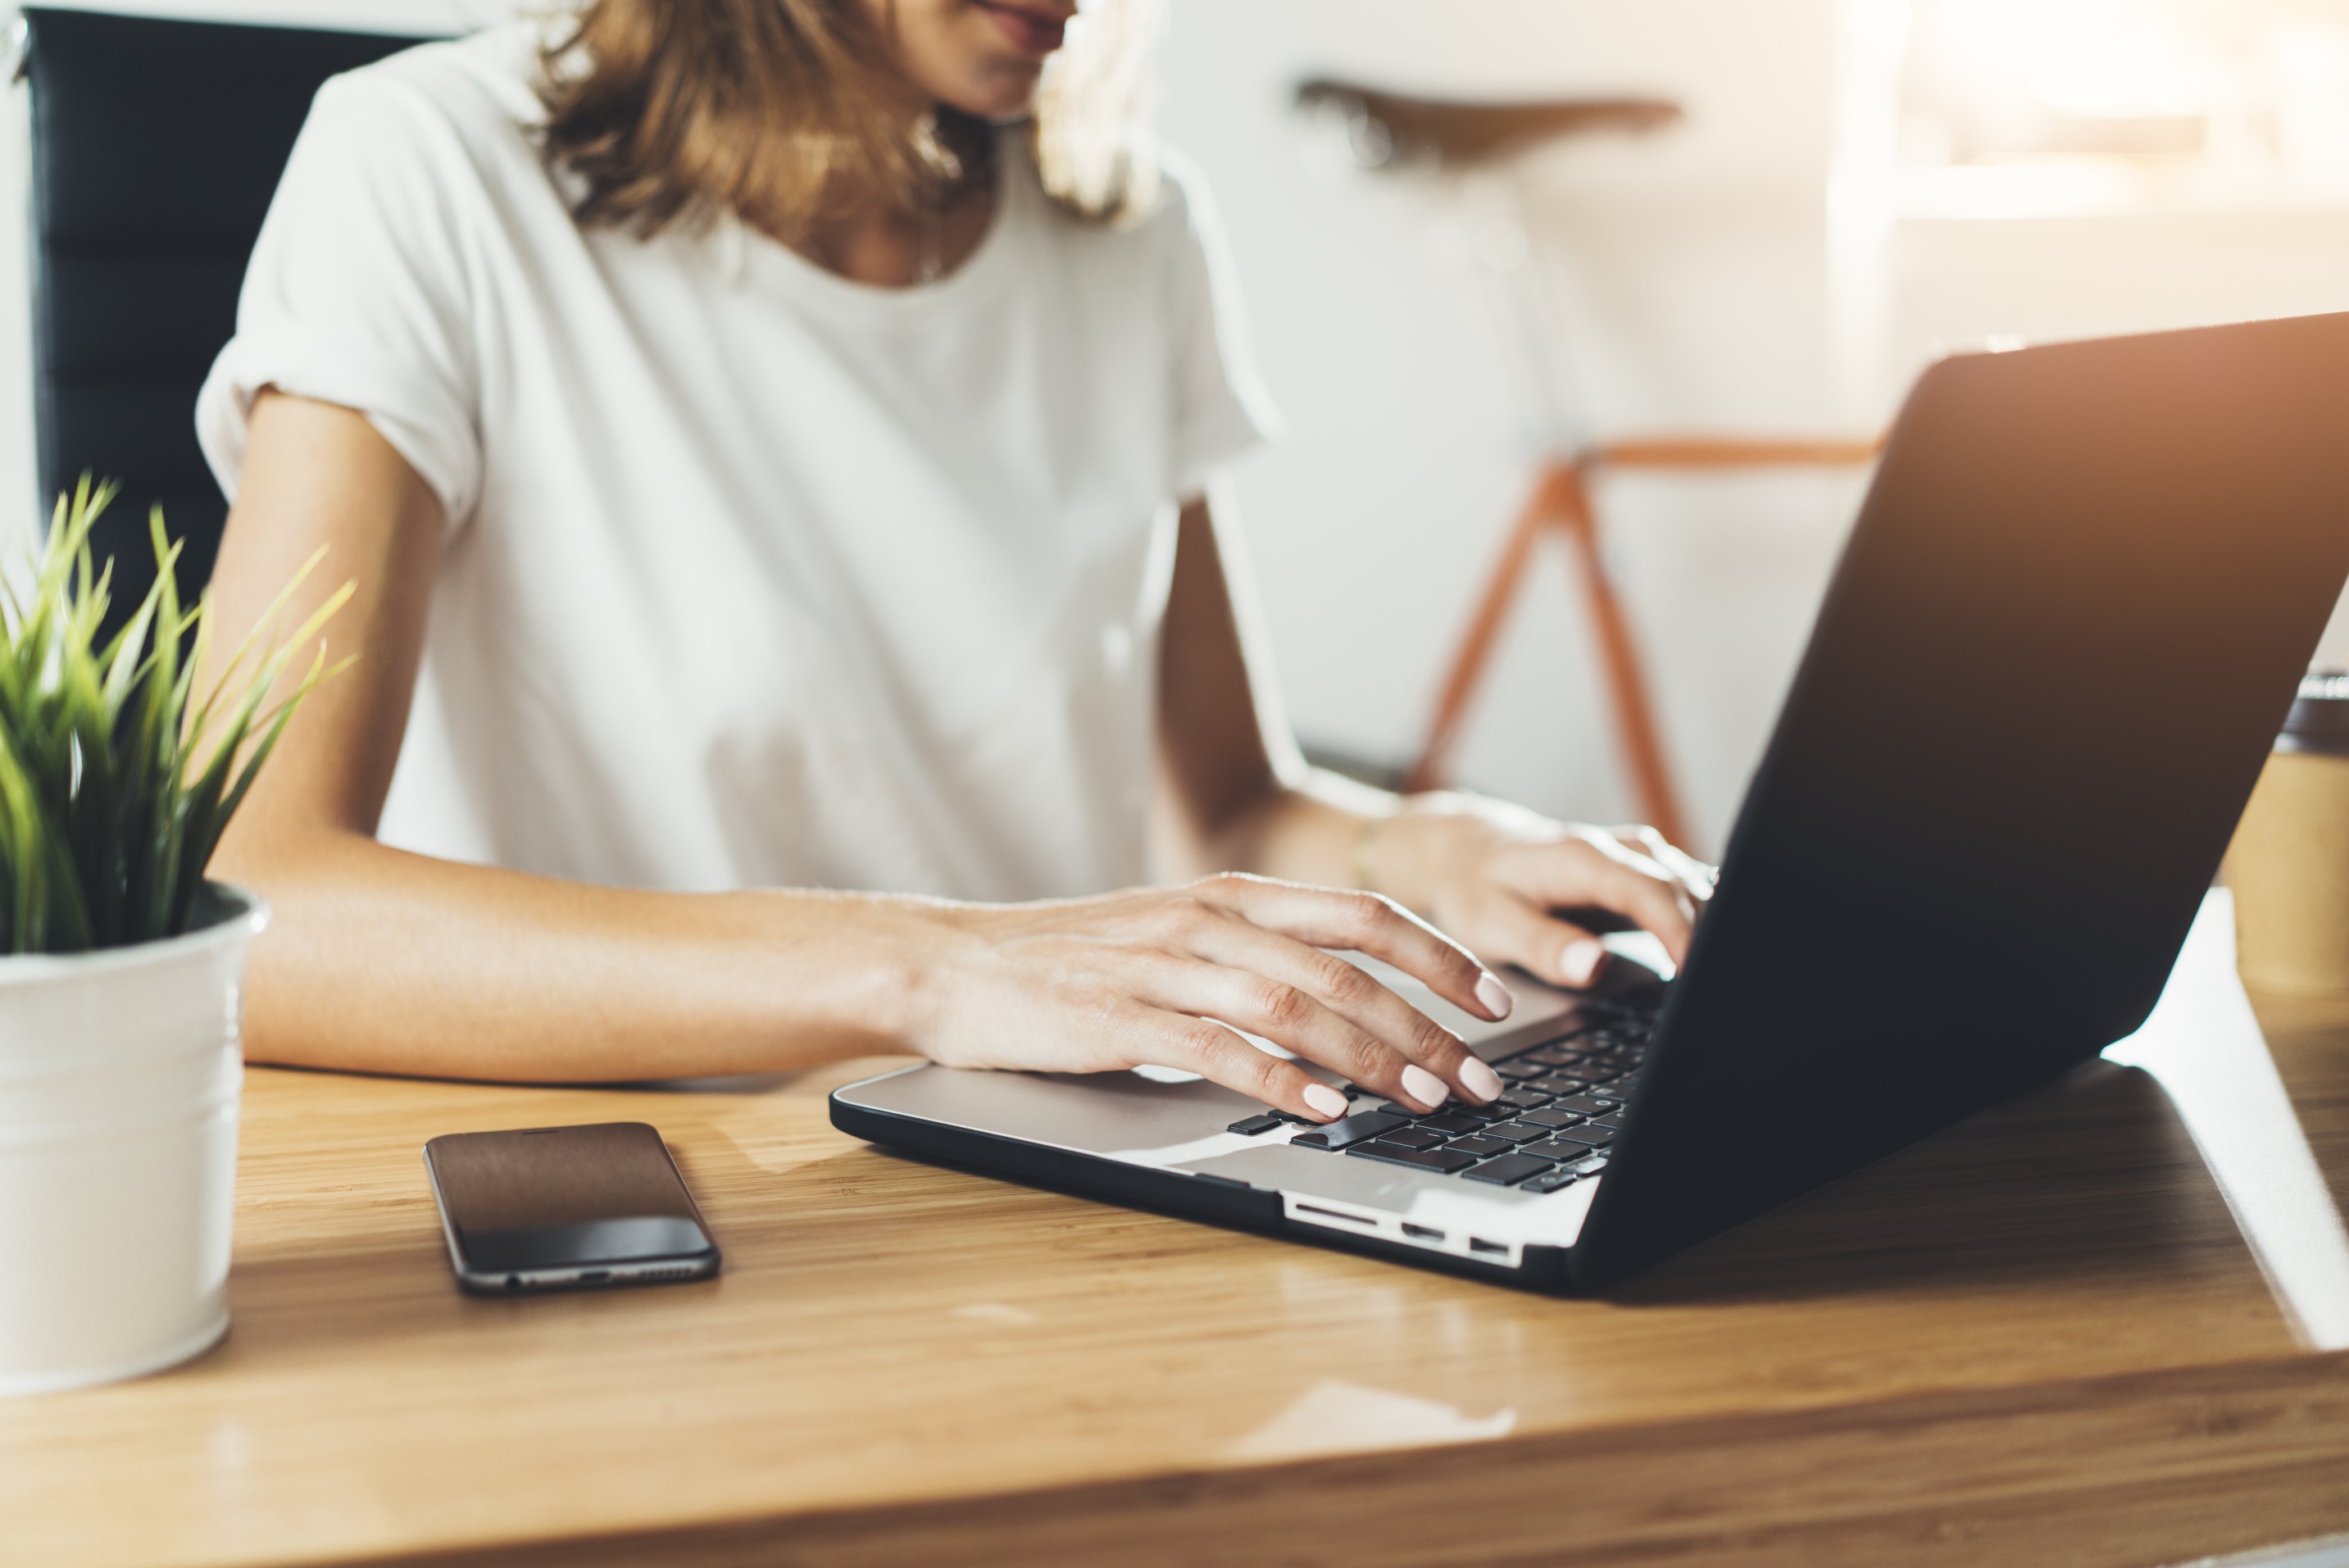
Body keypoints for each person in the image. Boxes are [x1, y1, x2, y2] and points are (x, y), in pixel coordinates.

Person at [195, 0, 1712, 1124]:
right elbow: (244, 905)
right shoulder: (426, 170)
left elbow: (1231, 802)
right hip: (665, 1174)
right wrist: (931, 969)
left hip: (1056, 1172)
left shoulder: (1131, 228)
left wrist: (1431, 851)